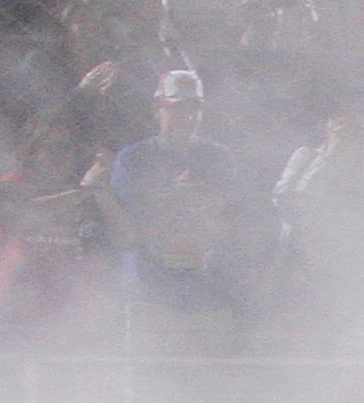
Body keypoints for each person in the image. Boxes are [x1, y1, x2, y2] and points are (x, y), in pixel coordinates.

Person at [101, 69, 255, 359]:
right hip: (151, 291)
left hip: (209, 292)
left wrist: (200, 196)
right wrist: (176, 196)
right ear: (157, 110)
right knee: (150, 381)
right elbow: (131, 218)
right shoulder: (134, 158)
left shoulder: (218, 157)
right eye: (177, 108)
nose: (186, 118)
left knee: (208, 383)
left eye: (194, 109)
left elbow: (233, 214)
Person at [271, 107, 364, 342]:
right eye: (340, 124)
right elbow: (289, 207)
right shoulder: (306, 157)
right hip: (308, 270)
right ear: (327, 126)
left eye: (355, 126)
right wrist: (329, 160)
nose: (348, 132)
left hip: (358, 275)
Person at [0, 117, 103, 342]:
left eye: (66, 148)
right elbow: (23, 214)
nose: (59, 155)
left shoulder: (81, 190)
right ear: (34, 151)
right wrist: (82, 192)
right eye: (50, 148)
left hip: (68, 309)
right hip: (21, 305)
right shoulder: (13, 183)